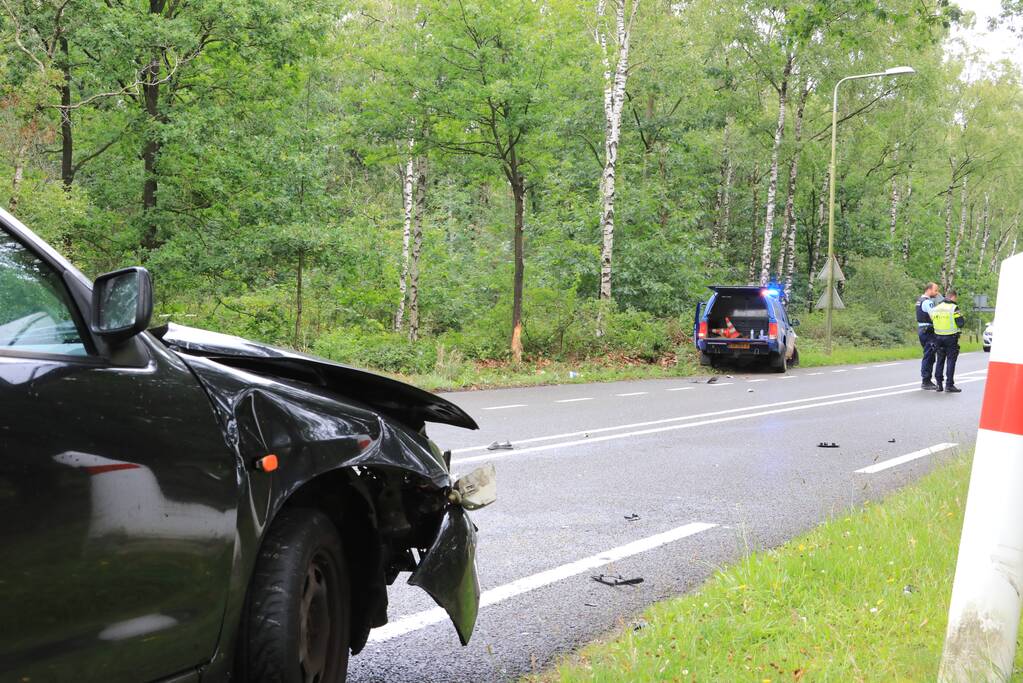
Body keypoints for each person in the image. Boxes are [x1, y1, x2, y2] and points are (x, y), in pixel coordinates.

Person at [930, 289, 965, 393]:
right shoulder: (954, 308)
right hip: (951, 338)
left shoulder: (936, 308)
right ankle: (949, 385)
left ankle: (939, 385)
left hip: (938, 337)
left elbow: (932, 320)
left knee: (940, 360)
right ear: (953, 297)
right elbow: (960, 323)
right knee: (950, 361)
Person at [916, 283, 943, 390]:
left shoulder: (919, 300)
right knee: (929, 356)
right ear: (929, 289)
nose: (937, 293)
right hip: (928, 331)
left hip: (922, 330)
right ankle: (926, 380)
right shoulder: (928, 302)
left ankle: (926, 379)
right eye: (935, 290)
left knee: (928, 354)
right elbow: (934, 317)